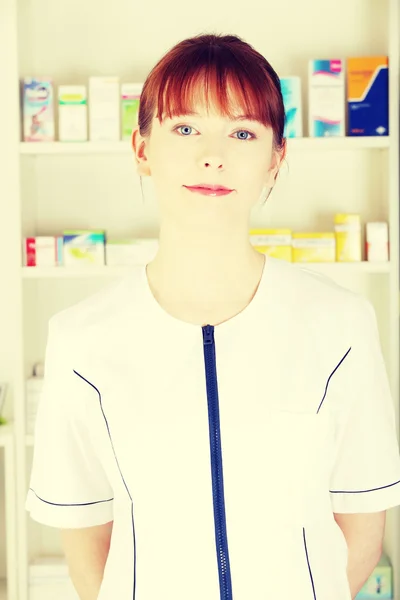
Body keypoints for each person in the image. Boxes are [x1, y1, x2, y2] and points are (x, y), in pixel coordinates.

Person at [26, 33, 400, 600]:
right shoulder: (80, 339)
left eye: (243, 132)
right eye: (184, 128)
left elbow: (361, 527)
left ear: (277, 157)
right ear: (141, 148)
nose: (212, 154)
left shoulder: (341, 325)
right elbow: (84, 543)